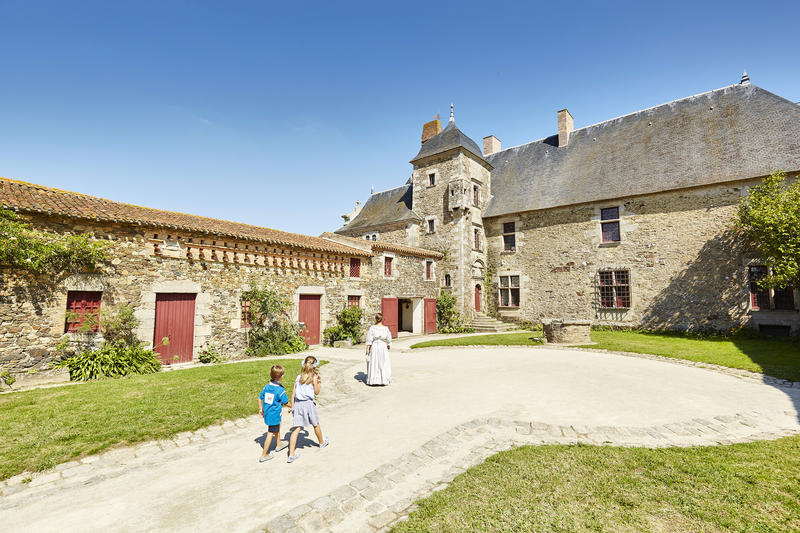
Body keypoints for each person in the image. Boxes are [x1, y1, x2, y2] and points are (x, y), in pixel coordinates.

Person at [286, 355, 329, 463]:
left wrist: (293, 406)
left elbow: (293, 393)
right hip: (309, 404)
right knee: (315, 424)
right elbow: (316, 392)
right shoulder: (314, 377)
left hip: (299, 404)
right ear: (314, 366)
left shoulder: (298, 377)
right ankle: (321, 442)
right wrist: (319, 382)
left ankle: (291, 454)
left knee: (296, 429)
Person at [258, 364, 290, 462]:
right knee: (270, 432)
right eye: (283, 375)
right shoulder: (280, 390)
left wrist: (260, 409)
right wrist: (294, 405)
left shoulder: (267, 387)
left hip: (267, 413)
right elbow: (286, 403)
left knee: (276, 427)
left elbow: (260, 398)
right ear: (280, 377)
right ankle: (264, 454)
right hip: (274, 414)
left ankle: (279, 443)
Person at [365, 313, 392, 386]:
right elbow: (389, 339)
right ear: (382, 319)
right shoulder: (385, 328)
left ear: (375, 319)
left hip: (375, 345)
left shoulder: (372, 328)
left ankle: (374, 379)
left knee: (374, 361)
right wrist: (388, 344)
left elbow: (369, 339)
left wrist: (367, 349)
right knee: (383, 362)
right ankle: (383, 379)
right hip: (382, 346)